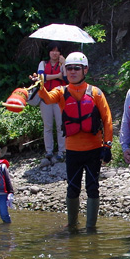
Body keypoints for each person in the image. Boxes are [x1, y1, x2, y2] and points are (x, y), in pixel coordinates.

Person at [37, 52, 114, 231]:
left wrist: (107, 146)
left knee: (92, 188)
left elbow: (107, 119)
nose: (72, 72)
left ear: (85, 70)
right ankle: (72, 225)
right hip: (72, 151)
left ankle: (91, 228)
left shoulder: (95, 93)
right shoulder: (61, 91)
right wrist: (40, 86)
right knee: (72, 188)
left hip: (94, 149)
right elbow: (47, 99)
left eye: (76, 68)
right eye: (69, 68)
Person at [29, 42, 68, 166]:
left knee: (61, 125)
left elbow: (66, 79)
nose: (55, 53)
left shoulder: (63, 64)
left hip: (59, 98)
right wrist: (57, 76)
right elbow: (42, 77)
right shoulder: (43, 63)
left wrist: (65, 63)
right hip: (45, 98)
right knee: (48, 126)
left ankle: (62, 151)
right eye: (52, 51)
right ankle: (49, 151)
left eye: (57, 51)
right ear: (49, 52)